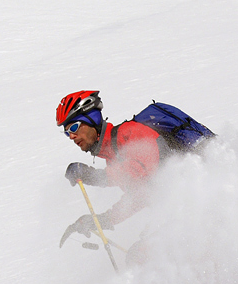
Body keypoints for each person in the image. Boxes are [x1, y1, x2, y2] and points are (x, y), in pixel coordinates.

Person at [56, 90, 163, 244]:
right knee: (140, 256)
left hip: (197, 207)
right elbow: (139, 195)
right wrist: (102, 220)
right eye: (67, 132)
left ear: (91, 120)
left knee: (142, 256)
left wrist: (92, 176)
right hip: (178, 213)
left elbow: (139, 168)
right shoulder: (112, 156)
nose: (71, 136)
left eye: (74, 128)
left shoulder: (129, 132)